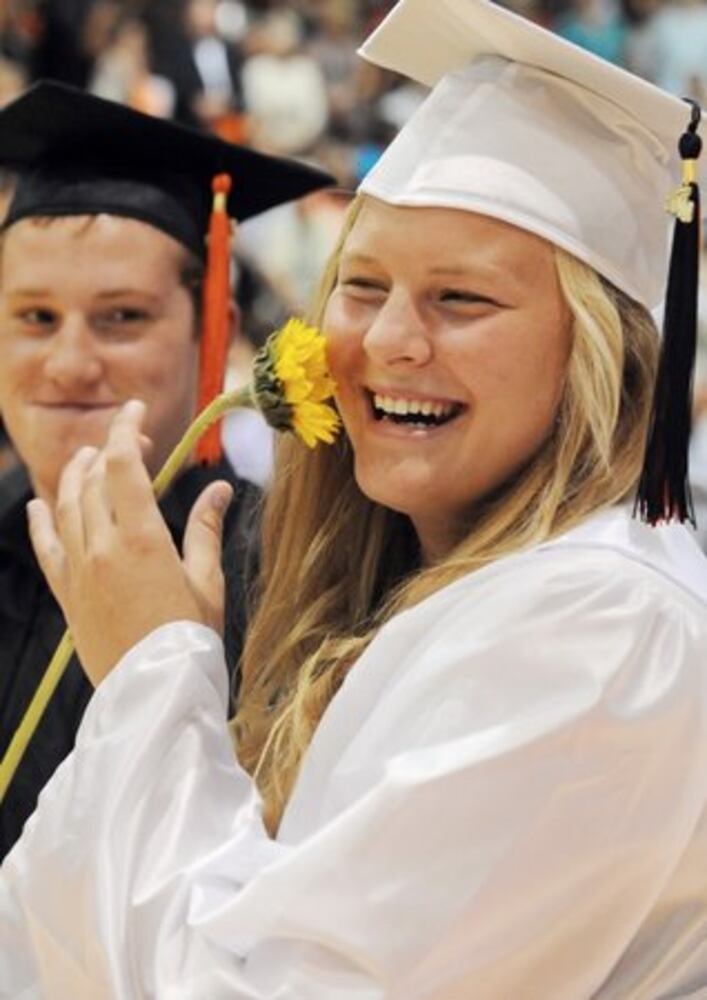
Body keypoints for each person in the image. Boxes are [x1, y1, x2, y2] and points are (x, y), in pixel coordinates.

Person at [3, 1, 707, 997]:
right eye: (363, 286)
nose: (387, 342)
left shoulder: (598, 624)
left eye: (459, 298)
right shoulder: (439, 593)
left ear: (594, 348)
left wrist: (152, 672)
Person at [0, 80, 332, 861]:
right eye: (35, 317)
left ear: (209, 330)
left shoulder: (297, 583)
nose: (70, 362)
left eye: (122, 317)